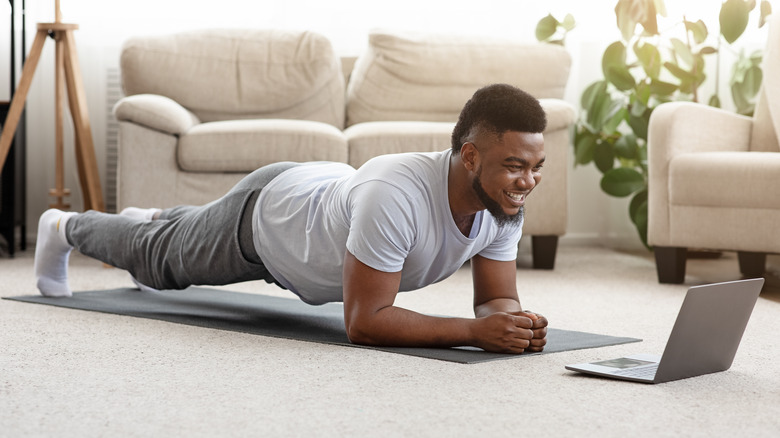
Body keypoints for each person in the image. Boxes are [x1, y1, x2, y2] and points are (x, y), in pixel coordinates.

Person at [34, 83, 549, 354]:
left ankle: (156, 217)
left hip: (317, 201)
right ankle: (62, 227)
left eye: (536, 167)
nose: (527, 181)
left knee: (179, 233)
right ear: (470, 156)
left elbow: (495, 299)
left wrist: (513, 323)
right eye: (515, 165)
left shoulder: (501, 202)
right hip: (268, 222)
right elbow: (365, 322)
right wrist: (474, 332)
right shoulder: (396, 194)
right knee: (158, 263)